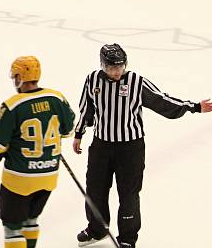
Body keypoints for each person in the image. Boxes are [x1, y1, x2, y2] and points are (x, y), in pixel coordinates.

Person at [73, 44, 212, 248]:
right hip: (101, 146)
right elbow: (86, 109)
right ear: (103, 65)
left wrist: (194, 107)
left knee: (128, 194)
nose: (117, 71)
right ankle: (97, 229)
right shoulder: (92, 80)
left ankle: (128, 238)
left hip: (130, 149)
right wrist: (78, 133)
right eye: (112, 68)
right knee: (95, 190)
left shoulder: (137, 82)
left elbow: (162, 101)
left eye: (120, 67)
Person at [0, 56, 75, 248]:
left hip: (19, 179)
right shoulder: (57, 98)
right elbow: (68, 130)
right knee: (31, 220)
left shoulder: (13, 105)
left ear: (19, 77)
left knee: (13, 228)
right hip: (49, 176)